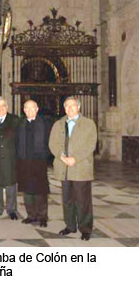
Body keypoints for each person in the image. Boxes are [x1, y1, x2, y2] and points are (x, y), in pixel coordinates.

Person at [49, 96, 97, 241]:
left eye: (73, 106)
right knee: (67, 199)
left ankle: (85, 228)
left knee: (83, 200)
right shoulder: (58, 124)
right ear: (64, 108)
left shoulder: (88, 124)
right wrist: (62, 157)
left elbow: (90, 145)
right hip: (64, 167)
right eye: (67, 106)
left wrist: (75, 158)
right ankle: (70, 226)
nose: (70, 108)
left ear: (79, 107)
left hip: (81, 167)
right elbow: (53, 143)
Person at [16, 100, 51, 227]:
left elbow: (50, 140)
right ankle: (31, 215)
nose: (29, 111)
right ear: (24, 110)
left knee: (40, 191)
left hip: (39, 161)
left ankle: (42, 216)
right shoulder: (21, 123)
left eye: (32, 108)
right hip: (24, 161)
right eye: (27, 108)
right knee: (27, 190)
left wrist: (45, 154)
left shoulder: (45, 123)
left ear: (37, 109)